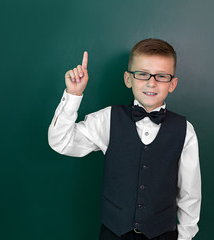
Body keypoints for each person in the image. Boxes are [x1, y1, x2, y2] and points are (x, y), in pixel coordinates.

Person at [48, 39, 201, 240]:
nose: (151, 82)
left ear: (172, 84)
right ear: (128, 79)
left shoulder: (185, 130)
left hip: (164, 235)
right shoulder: (106, 120)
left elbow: (190, 194)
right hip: (113, 233)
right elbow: (61, 142)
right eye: (142, 74)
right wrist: (74, 95)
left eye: (161, 76)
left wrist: (186, 237)